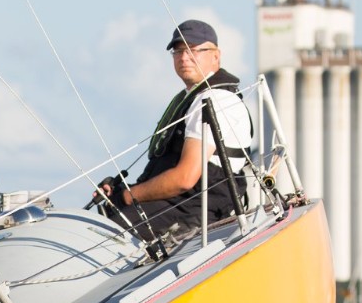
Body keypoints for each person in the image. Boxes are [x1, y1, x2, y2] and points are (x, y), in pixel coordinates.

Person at [97, 19, 254, 244]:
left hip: (197, 206)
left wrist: (128, 196)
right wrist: (122, 191)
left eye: (194, 50)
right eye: (178, 51)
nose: (184, 57)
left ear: (216, 55)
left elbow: (185, 178)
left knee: (109, 234)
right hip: (179, 202)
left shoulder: (215, 100)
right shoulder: (193, 98)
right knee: (105, 218)